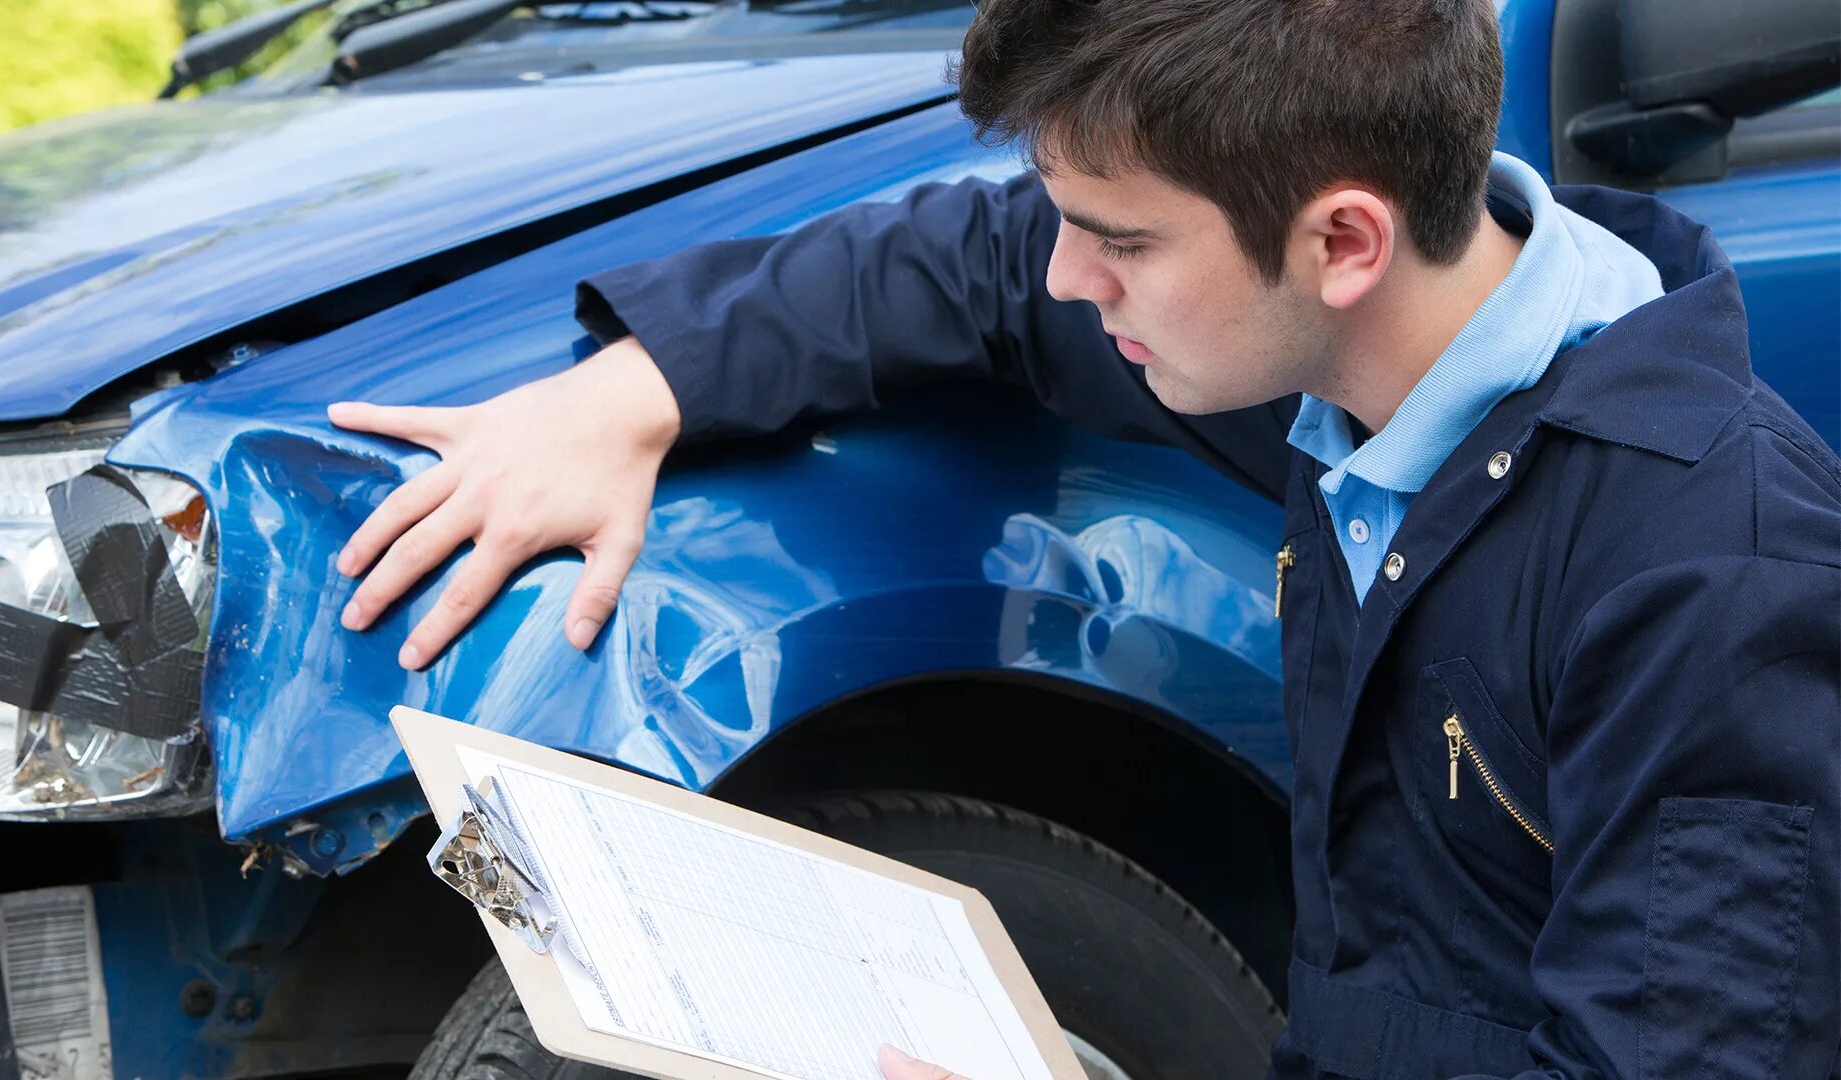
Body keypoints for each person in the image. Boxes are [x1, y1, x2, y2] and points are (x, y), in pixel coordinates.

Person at [327, 0, 1841, 1076]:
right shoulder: (1358, 361)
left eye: (1118, 241)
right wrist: (635, 390)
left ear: (1343, 241)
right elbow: (974, 262)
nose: (1067, 279)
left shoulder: (1705, 572)